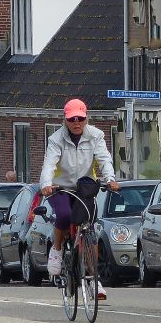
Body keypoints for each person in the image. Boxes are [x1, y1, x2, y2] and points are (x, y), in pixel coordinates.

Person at [40, 99, 119, 300]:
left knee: (89, 228)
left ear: (86, 118)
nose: (77, 123)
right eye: (72, 119)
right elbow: (49, 163)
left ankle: (94, 281)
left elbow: (104, 159)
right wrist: (46, 185)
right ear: (65, 120)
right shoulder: (56, 139)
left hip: (84, 188)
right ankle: (57, 250)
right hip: (61, 188)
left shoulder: (96, 136)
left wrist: (110, 179)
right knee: (65, 215)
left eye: (81, 118)